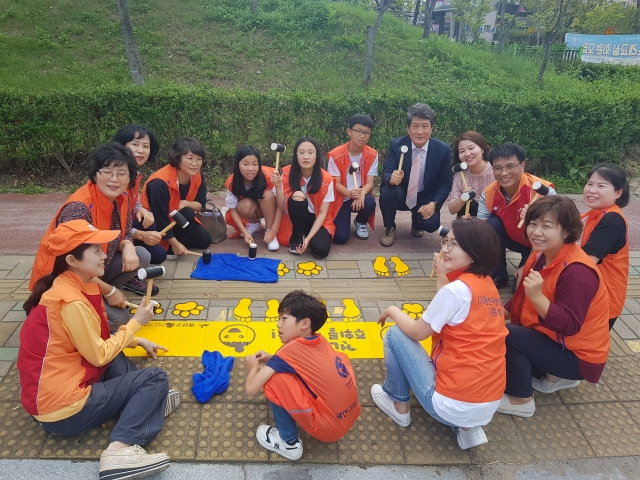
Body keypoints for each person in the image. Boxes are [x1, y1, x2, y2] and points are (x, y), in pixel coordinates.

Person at [18, 220, 180, 480]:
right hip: (62, 412)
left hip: (57, 392)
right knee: (155, 378)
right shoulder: (70, 301)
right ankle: (120, 449)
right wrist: (136, 323)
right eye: (96, 250)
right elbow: (99, 354)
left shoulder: (72, 284)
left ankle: (144, 403)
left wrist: (136, 340)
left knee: (119, 358)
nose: (105, 254)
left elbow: (96, 339)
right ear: (72, 260)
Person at [372, 218, 508, 450]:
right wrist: (442, 272)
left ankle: (398, 404)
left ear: (474, 252)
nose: (445, 248)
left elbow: (417, 332)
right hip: (488, 404)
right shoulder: (487, 285)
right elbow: (444, 309)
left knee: (396, 335)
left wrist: (392, 310)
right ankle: (468, 430)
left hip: (450, 405)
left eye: (454, 244)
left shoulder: (457, 291)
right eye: (447, 242)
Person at [497, 196, 610, 419]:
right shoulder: (544, 254)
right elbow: (520, 300)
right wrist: (489, 316)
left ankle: (521, 401)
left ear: (567, 232)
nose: (536, 232)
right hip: (557, 341)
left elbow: (569, 325)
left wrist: (537, 297)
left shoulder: (578, 273)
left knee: (510, 336)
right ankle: (555, 376)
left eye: (546, 226)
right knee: (498, 345)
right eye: (533, 223)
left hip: (580, 357)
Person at [29, 143, 153, 329]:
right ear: (94, 174)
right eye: (107, 172)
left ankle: (95, 294)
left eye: (121, 173)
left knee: (141, 255)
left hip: (92, 267)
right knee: (120, 319)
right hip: (61, 279)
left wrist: (128, 246)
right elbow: (71, 267)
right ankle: (64, 314)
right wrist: (110, 291)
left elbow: (125, 231)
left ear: (130, 179)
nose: (114, 179)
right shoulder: (78, 208)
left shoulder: (123, 197)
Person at [244, 290, 360, 460]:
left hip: (327, 428)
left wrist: (253, 367)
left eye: (284, 319)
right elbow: (302, 367)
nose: (278, 324)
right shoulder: (320, 341)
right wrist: (271, 359)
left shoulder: (289, 351)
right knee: (281, 371)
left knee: (274, 380)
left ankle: (289, 443)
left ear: (305, 323)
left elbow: (251, 388)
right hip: (348, 416)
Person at [477, 143, 555, 289]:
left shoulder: (544, 191)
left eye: (510, 166)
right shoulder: (488, 193)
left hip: (537, 243)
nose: (504, 173)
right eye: (497, 168)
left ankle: (528, 264)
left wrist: (526, 266)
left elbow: (555, 233)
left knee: (521, 290)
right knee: (491, 225)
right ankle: (498, 273)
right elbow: (480, 231)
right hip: (511, 237)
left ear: (523, 165)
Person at [379, 103, 452, 247]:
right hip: (402, 193)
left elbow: (446, 183)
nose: (420, 132)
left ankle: (417, 223)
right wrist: (391, 179)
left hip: (425, 196)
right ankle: (390, 227)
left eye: (425, 126)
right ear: (408, 128)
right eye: (415, 126)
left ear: (431, 128)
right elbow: (387, 172)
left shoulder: (442, 150)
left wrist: (435, 204)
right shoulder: (396, 145)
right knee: (387, 191)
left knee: (430, 225)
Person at [112, 125, 168, 290]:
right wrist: (140, 235)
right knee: (146, 254)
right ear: (121, 145)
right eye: (135, 144)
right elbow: (111, 222)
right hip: (106, 236)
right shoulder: (115, 178)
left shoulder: (133, 174)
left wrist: (141, 209)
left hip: (123, 227)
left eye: (145, 146)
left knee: (158, 254)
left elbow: (132, 201)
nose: (141, 150)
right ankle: (128, 276)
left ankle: (132, 260)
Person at [140, 137, 212, 258]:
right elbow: (159, 218)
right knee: (187, 214)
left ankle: (178, 244)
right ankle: (172, 247)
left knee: (204, 240)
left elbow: (200, 206)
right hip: (154, 225)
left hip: (175, 222)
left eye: (199, 159)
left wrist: (185, 203)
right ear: (177, 158)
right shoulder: (159, 183)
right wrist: (175, 243)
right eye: (190, 158)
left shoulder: (197, 176)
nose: (195, 163)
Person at [580, 163, 629, 331]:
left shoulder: (612, 220)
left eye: (601, 186)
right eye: (590, 184)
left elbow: (586, 262)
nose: (592, 190)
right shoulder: (593, 214)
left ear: (618, 192)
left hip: (604, 298)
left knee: (587, 350)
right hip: (591, 292)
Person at [274, 137, 336, 258]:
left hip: (317, 219)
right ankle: (298, 235)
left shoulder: (327, 179)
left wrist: (308, 239)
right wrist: (277, 186)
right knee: (298, 195)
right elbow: (282, 206)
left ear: (317, 155)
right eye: (301, 153)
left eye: (310, 153)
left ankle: (307, 238)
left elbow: (323, 213)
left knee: (320, 251)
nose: (306, 157)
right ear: (296, 155)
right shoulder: (287, 173)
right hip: (296, 218)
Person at [327, 114, 378, 243]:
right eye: (358, 131)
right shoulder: (335, 155)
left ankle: (360, 221)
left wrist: (361, 194)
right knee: (340, 238)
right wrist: (350, 193)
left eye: (366, 133)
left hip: (360, 192)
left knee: (370, 201)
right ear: (349, 131)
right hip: (342, 196)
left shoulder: (372, 154)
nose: (362, 136)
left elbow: (370, 183)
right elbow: (336, 183)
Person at [224, 145, 282, 251]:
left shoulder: (270, 177)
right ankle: (254, 223)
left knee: (267, 195)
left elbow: (281, 206)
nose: (250, 168)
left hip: (270, 208)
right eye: (245, 164)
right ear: (238, 165)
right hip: (254, 209)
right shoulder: (232, 182)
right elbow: (233, 209)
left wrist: (273, 230)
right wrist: (245, 233)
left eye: (255, 164)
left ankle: (268, 229)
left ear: (259, 165)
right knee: (242, 205)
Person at [447, 131, 493, 218]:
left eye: (471, 148)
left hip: (492, 216)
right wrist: (464, 197)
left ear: (482, 149)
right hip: (469, 217)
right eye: (462, 151)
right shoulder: (460, 174)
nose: (467, 154)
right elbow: (452, 209)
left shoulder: (495, 170)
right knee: (467, 204)